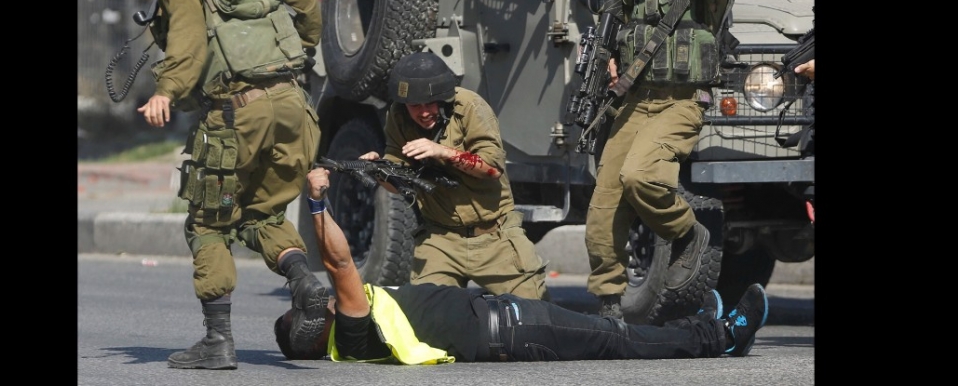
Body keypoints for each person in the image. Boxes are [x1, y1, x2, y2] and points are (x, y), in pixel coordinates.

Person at [273, 167, 769, 363]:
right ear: (315, 332)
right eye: (308, 313)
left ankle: (699, 327)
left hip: (500, 320)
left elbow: (332, 273)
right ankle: (721, 336)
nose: (316, 303)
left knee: (608, 336)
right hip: (507, 327)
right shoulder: (353, 332)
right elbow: (338, 263)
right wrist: (318, 203)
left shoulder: (347, 336)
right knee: (615, 339)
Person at [131, 0, 329, 370]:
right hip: (293, 105)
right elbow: (306, 2)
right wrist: (303, 51)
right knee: (264, 212)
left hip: (237, 114)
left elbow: (188, 45)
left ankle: (217, 341)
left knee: (208, 223)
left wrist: (166, 91)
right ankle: (303, 281)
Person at [585, 0, 736, 319]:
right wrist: (611, 58)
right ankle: (610, 303)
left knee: (641, 177)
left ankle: (688, 235)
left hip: (681, 102)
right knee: (604, 203)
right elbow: (613, 18)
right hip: (635, 101)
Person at [355, 52, 551, 300]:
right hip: (440, 239)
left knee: (535, 315)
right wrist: (379, 170)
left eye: (430, 104)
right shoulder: (398, 115)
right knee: (426, 317)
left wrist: (444, 151)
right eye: (415, 106)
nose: (424, 112)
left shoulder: (471, 107)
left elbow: (492, 169)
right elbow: (400, 181)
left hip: (494, 237)